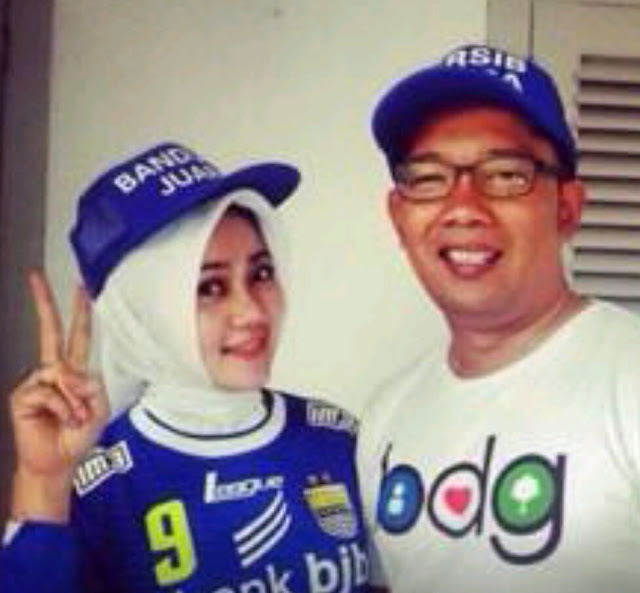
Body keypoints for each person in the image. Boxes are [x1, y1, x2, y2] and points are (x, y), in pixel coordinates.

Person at [0, 142, 371, 592]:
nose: (252, 312)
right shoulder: (89, 487)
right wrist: (42, 482)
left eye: (261, 273)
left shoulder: (338, 439)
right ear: (143, 311)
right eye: (209, 287)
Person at [357, 43, 640, 593]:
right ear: (398, 217)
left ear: (567, 208)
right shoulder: (385, 416)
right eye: (428, 177)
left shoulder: (630, 379)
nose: (463, 207)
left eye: (507, 174)